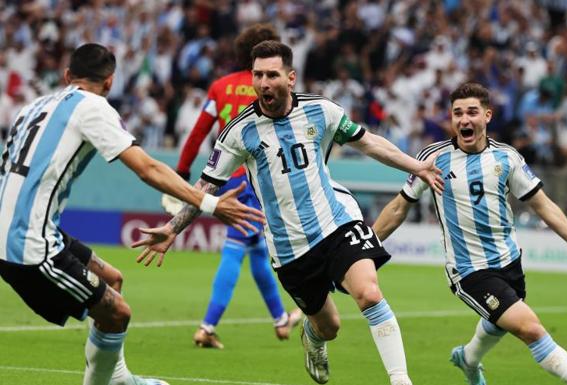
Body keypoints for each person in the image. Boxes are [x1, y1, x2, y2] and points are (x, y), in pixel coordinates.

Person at [132, 41, 444, 385]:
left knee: (369, 293)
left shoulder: (321, 111)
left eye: (272, 75)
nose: (264, 83)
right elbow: (205, 186)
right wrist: (174, 228)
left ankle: (400, 379)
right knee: (329, 326)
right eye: (258, 75)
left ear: (291, 78)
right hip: (288, 247)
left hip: (335, 222)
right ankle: (313, 339)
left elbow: (368, 141)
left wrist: (418, 166)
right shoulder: (238, 133)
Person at [0, 43, 263, 385]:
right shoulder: (93, 107)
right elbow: (147, 168)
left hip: (26, 227)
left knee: (112, 279)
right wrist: (209, 204)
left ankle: (118, 376)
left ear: (67, 76)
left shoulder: (32, 106)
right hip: (26, 243)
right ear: (110, 82)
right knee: (118, 312)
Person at [373, 82, 567, 385]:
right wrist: (364, 249)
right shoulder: (433, 158)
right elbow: (400, 207)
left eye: (472, 112)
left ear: (487, 116)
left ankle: (468, 358)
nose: (464, 120)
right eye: (457, 113)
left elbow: (544, 206)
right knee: (530, 328)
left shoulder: (507, 158)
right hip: (469, 270)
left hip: (509, 261)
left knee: (501, 321)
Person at [162, 23, 302, 349]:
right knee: (237, 248)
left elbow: (198, 132)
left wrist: (182, 171)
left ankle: (281, 320)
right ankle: (207, 327)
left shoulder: (220, 87)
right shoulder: (276, 85)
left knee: (255, 250)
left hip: (224, 177)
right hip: (257, 180)